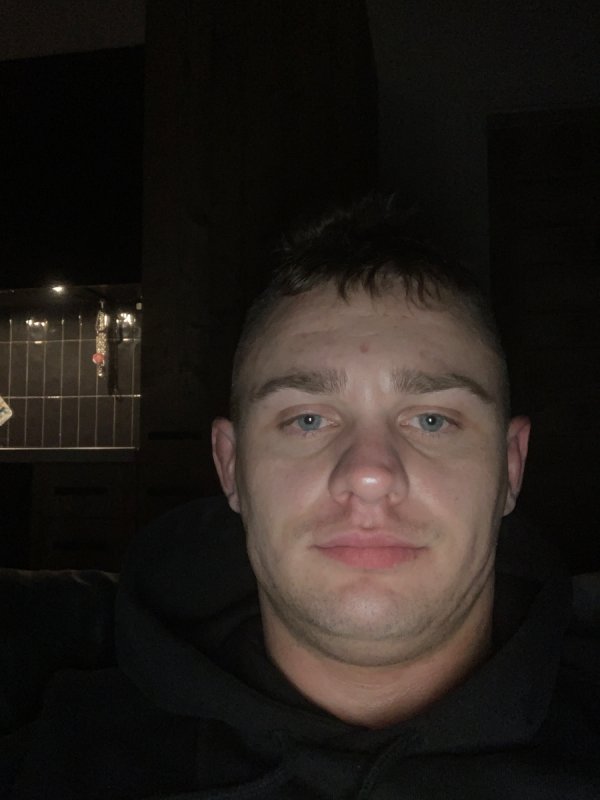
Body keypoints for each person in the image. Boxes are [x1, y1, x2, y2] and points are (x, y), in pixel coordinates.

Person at [6, 197, 600, 798]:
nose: (369, 475)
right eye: (308, 419)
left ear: (511, 467)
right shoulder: (60, 763)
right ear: (230, 466)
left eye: (432, 420)